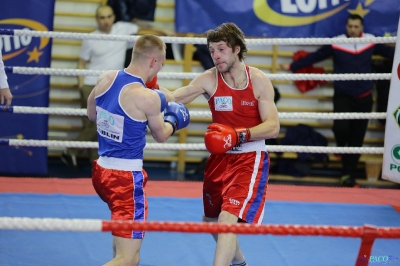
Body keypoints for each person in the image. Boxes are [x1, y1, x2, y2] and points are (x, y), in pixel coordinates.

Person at [162, 22, 280, 266]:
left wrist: (239, 135)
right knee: (211, 221)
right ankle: (239, 263)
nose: (215, 56)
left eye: (221, 49)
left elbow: (273, 127)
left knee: (228, 218)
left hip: (249, 157)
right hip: (220, 158)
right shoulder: (209, 78)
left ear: (237, 49)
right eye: (212, 50)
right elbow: (175, 96)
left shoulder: (257, 80)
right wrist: (146, 88)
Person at [87, 34, 190, 266]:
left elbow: (91, 114)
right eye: (161, 63)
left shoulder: (106, 78)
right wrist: (174, 120)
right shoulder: (146, 98)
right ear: (153, 62)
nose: (160, 69)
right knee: (128, 257)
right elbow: (161, 135)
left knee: (125, 251)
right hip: (125, 180)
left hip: (101, 171)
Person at [280, 14, 395, 187]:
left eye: (356, 26)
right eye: (350, 26)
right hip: (343, 95)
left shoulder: (371, 41)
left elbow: (391, 53)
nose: (353, 29)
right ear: (346, 26)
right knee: (340, 128)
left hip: (364, 97)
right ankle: (341, 149)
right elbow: (315, 56)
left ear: (361, 28)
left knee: (357, 140)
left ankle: (347, 176)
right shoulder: (337, 42)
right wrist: (292, 66)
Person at [61, 4, 141, 168]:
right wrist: (80, 83)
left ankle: (92, 161)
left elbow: (144, 29)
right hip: (91, 85)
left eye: (108, 17)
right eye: (102, 17)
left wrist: (167, 34)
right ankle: (72, 151)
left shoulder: (122, 29)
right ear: (97, 19)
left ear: (113, 17)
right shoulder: (90, 38)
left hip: (111, 87)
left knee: (100, 125)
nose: (106, 21)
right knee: (95, 125)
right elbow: (82, 61)